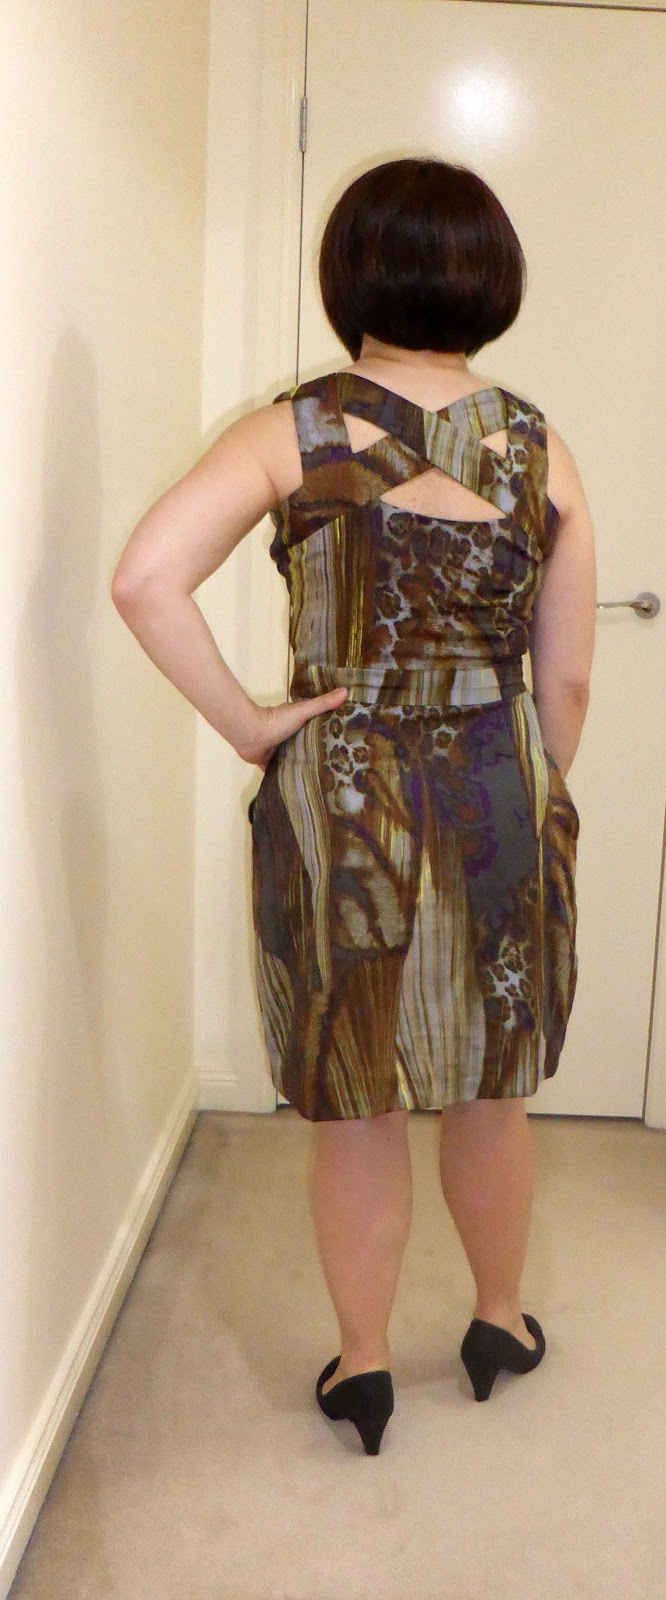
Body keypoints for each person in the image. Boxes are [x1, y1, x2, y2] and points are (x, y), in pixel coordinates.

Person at [111, 157, 596, 1456]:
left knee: (357, 1097)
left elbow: (145, 578)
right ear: (491, 282)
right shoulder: (538, 446)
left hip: (340, 802)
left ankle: (365, 1366)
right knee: (491, 1090)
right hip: (496, 788)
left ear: (350, 276)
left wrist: (249, 724)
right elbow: (565, 676)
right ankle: (497, 1323)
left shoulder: (290, 431)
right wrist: (534, 787)